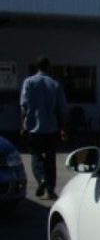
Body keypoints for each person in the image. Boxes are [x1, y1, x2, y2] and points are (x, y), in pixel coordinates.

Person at [20, 57, 67, 199]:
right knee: (50, 159)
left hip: (33, 127)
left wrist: (23, 124)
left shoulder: (28, 82)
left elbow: (23, 105)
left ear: (36, 67)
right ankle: (50, 190)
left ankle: (41, 179)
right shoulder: (55, 84)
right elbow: (62, 108)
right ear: (48, 67)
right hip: (51, 127)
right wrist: (64, 127)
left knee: (36, 156)